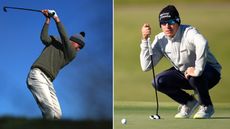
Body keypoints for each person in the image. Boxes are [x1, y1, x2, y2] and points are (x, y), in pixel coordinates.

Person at [140, 5, 221, 119]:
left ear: (178, 21)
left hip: (210, 72)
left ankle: (207, 106)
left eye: (171, 22)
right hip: (185, 73)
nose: (167, 26)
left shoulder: (189, 32)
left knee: (194, 76)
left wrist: (197, 70)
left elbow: (202, 43)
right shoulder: (160, 40)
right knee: (158, 81)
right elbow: (146, 66)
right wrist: (144, 40)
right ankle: (189, 102)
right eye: (163, 23)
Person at [27, 9, 85, 119]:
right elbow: (44, 38)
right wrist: (48, 20)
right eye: (79, 46)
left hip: (48, 81)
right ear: (74, 41)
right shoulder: (56, 41)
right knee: (49, 112)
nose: (79, 49)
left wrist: (56, 18)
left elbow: (63, 36)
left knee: (57, 115)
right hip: (37, 75)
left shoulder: (71, 53)